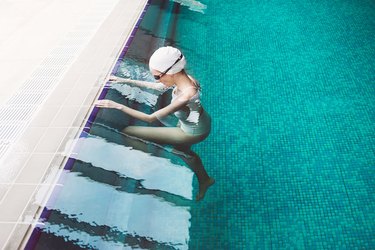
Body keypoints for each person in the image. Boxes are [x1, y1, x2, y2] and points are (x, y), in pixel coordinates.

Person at [96, 46, 214, 201]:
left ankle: (146, 166)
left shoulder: (186, 95)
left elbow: (150, 118)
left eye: (158, 76)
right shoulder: (187, 79)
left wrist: (116, 105)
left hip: (192, 132)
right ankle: (205, 180)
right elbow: (157, 86)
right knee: (182, 152)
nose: (156, 80)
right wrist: (123, 80)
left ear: (171, 72)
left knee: (130, 131)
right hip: (198, 122)